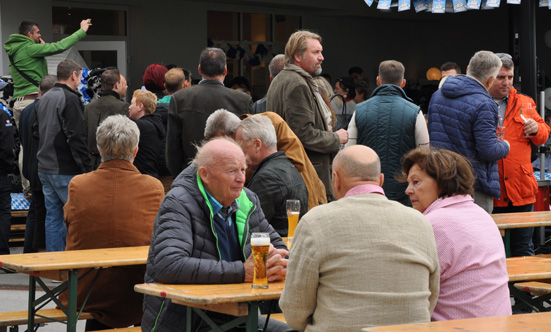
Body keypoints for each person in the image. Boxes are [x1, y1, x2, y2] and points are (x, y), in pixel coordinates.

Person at [280, 145, 440, 331]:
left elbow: (295, 310)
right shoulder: (421, 223)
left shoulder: (315, 222)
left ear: (336, 179)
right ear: (380, 181)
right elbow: (431, 296)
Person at [141, 138, 290, 332]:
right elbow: (169, 265)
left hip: (233, 314)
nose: (241, 179)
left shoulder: (246, 200)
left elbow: (278, 246)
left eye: (243, 170)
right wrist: (242, 271)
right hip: (185, 319)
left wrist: (277, 263)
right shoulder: (179, 202)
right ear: (205, 174)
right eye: (232, 171)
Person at [62, 115, 164, 331]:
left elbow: (69, 222)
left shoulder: (78, 186)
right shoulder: (153, 187)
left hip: (86, 291)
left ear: (100, 149)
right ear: (136, 151)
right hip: (137, 292)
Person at [401, 148, 511, 320]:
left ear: (442, 182)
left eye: (416, 182)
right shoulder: (480, 214)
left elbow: (407, 290)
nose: (408, 190)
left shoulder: (432, 224)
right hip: (501, 323)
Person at [4, 19, 92, 194]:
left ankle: (27, 187)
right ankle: (39, 185)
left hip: (20, 103)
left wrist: (41, 47)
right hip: (35, 101)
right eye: (37, 33)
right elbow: (59, 47)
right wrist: (81, 31)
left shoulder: (15, 50)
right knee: (43, 143)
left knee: (24, 146)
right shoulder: (30, 48)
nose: (39, 36)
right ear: (29, 34)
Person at [266, 30, 348, 201]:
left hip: (291, 169)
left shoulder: (281, 79)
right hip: (306, 172)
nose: (322, 57)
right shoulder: (297, 84)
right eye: (316, 52)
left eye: (321, 51)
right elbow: (302, 134)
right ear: (298, 56)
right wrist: (335, 138)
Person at [428, 50, 510, 213]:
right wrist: (505, 145)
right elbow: (488, 150)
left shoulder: (437, 95)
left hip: (442, 180)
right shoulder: (485, 104)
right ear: (490, 80)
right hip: (473, 185)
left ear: (468, 69)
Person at [205, 109, 328, 210]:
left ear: (235, 134)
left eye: (228, 143)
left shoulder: (271, 121)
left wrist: (245, 167)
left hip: (304, 194)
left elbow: (297, 162)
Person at [489, 53, 550, 257]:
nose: (506, 82)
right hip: (491, 190)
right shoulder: (478, 102)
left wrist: (536, 129)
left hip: (521, 188)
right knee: (493, 253)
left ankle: (525, 290)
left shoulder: (525, 102)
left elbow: (543, 135)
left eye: (510, 77)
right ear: (489, 76)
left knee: (524, 250)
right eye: (501, 77)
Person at [346, 60, 429, 207]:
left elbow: (349, 152)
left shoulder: (359, 110)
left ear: (378, 81)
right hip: (403, 191)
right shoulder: (415, 112)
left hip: (367, 190)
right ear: (403, 83)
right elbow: (424, 155)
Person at [166, 47, 253, 176]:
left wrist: (181, 177)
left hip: (192, 175)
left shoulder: (180, 99)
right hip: (230, 177)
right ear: (225, 70)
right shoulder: (243, 101)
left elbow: (173, 149)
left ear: (199, 69)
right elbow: (248, 145)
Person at [34, 59, 91, 252]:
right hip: (64, 167)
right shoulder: (71, 98)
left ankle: (54, 263)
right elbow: (76, 136)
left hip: (45, 166)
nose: (80, 80)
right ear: (73, 75)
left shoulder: (45, 98)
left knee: (53, 216)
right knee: (76, 217)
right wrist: (87, 168)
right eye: (80, 76)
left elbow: (36, 131)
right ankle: (76, 266)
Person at [235, 116, 308, 236]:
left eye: (240, 146)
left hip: (273, 249)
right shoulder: (288, 167)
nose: (238, 152)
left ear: (257, 144)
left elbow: (249, 227)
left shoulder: (266, 177)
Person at [19, 75, 56, 253]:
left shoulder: (26, 111)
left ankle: (29, 250)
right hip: (44, 167)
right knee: (46, 211)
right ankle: (40, 250)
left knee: (35, 209)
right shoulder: (46, 110)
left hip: (29, 166)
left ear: (39, 91)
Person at [83, 69, 129, 169]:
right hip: (113, 164)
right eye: (125, 84)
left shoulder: (88, 107)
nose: (127, 87)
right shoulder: (123, 107)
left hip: (90, 164)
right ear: (117, 85)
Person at [128, 90, 165, 179]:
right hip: (152, 176)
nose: (129, 107)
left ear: (140, 106)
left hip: (140, 177)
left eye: (132, 103)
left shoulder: (139, 126)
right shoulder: (156, 124)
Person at [0, 100, 16, 256]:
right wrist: (9, 168)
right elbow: (6, 147)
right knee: (3, 212)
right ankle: (2, 253)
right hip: (1, 173)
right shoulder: (2, 115)